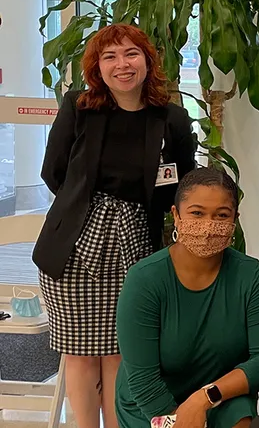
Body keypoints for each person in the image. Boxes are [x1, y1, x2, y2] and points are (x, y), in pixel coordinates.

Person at [33, 24, 196, 428]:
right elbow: (53, 171)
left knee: (123, 353)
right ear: (97, 68)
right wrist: (90, 213)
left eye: (131, 54)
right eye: (110, 57)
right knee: (81, 353)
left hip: (137, 245)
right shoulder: (79, 107)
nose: (122, 65)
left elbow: (183, 183)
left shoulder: (171, 119)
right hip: (73, 248)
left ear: (147, 60)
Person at [115, 168, 259, 428]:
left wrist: (205, 398)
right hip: (150, 403)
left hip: (222, 395)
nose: (208, 225)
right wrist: (178, 418)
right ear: (176, 216)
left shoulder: (250, 276)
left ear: (234, 220)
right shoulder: (145, 279)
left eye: (221, 215)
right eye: (197, 213)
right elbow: (143, 381)